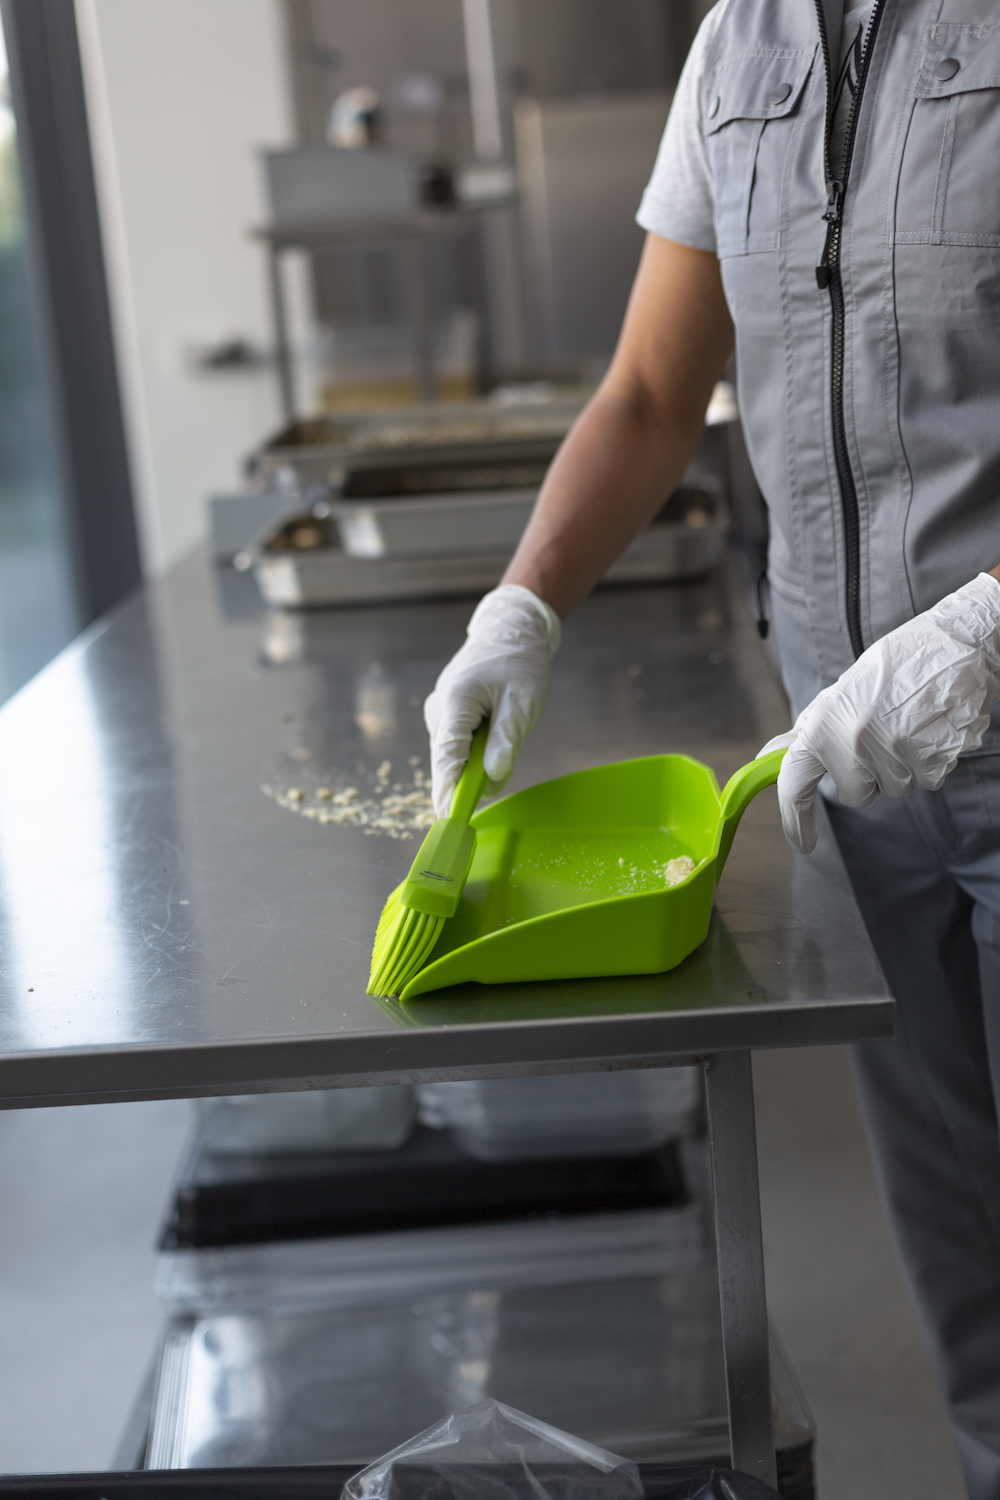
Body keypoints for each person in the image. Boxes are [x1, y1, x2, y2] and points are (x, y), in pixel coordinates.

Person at [425, 3, 1000, 1495]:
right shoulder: (742, 44)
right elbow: (647, 392)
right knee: (971, 1286)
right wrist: (522, 605)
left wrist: (987, 632)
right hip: (853, 776)